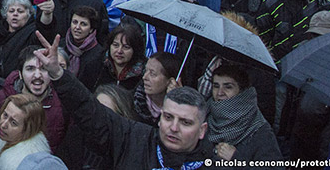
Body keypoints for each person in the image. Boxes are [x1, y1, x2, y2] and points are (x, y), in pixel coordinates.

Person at [32, 31, 217, 169]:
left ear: (202, 130)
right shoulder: (134, 138)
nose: (174, 128)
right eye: (168, 117)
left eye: (185, 122)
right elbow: (88, 108)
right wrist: (58, 74)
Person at [0, 46, 68, 150]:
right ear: (20, 74)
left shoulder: (62, 104)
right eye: (30, 69)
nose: (37, 75)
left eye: (43, 69)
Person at [206, 63, 281, 164]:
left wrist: (236, 158)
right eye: (216, 86)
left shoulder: (259, 130)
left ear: (241, 91)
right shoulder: (204, 115)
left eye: (228, 87)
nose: (220, 93)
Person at [0, 93, 67, 170]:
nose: (3, 125)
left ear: (28, 130)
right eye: (5, 115)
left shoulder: (32, 166)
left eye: (13, 123)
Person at [0, 0, 56, 79]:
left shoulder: (32, 32)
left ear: (28, 14)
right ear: (5, 15)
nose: (15, 14)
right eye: (11, 11)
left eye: (20, 11)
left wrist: (47, 13)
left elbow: (44, 28)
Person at [133, 51, 181, 127]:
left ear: (170, 81)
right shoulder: (132, 102)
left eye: (152, 74)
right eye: (145, 71)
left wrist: (176, 100)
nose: (144, 77)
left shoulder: (181, 111)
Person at [62, 6, 105, 90]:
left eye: (83, 24)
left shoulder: (98, 54)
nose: (77, 27)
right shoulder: (61, 45)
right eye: (75, 22)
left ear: (91, 29)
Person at [96, 22, 147, 91]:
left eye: (126, 47)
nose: (119, 51)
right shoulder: (98, 64)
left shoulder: (144, 74)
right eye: (115, 45)